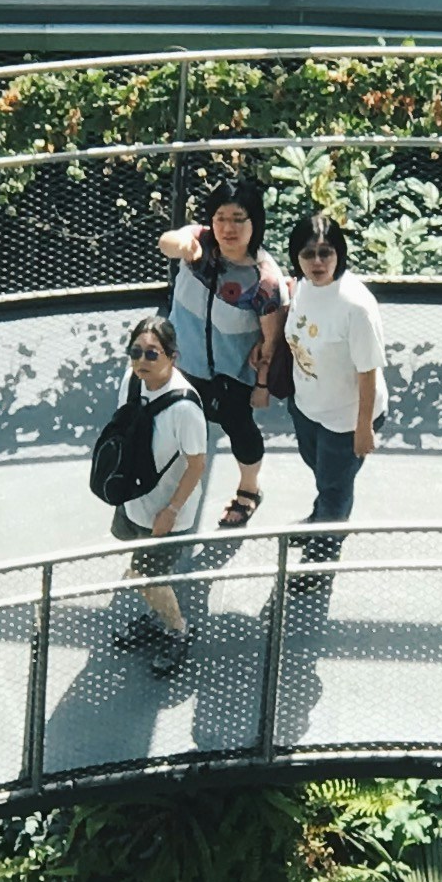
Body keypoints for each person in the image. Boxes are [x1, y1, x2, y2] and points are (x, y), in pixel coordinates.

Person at [159, 179, 288, 534]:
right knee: (175, 424)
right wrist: (183, 243)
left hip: (230, 374)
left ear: (254, 223)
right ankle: (174, 489)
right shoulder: (199, 244)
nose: (227, 228)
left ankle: (249, 488)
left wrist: (261, 386)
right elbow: (167, 242)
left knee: (240, 430)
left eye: (238, 219)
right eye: (220, 218)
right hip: (184, 363)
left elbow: (270, 341)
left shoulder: (263, 279)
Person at [280, 210, 387, 561]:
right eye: (308, 253)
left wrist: (363, 427)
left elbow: (368, 371)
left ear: (339, 254)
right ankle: (320, 519)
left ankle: (324, 548)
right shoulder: (303, 288)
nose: (317, 261)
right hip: (308, 405)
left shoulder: (356, 307)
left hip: (345, 418)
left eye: (325, 252)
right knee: (321, 472)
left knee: (336, 485)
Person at [106, 317, 210, 664]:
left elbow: (196, 464)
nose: (141, 362)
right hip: (135, 502)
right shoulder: (132, 383)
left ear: (172, 357)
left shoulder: (185, 408)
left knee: (146, 577)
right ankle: (158, 615)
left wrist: (172, 510)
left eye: (152, 354)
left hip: (166, 513)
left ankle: (177, 628)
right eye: (135, 352)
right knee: (147, 574)